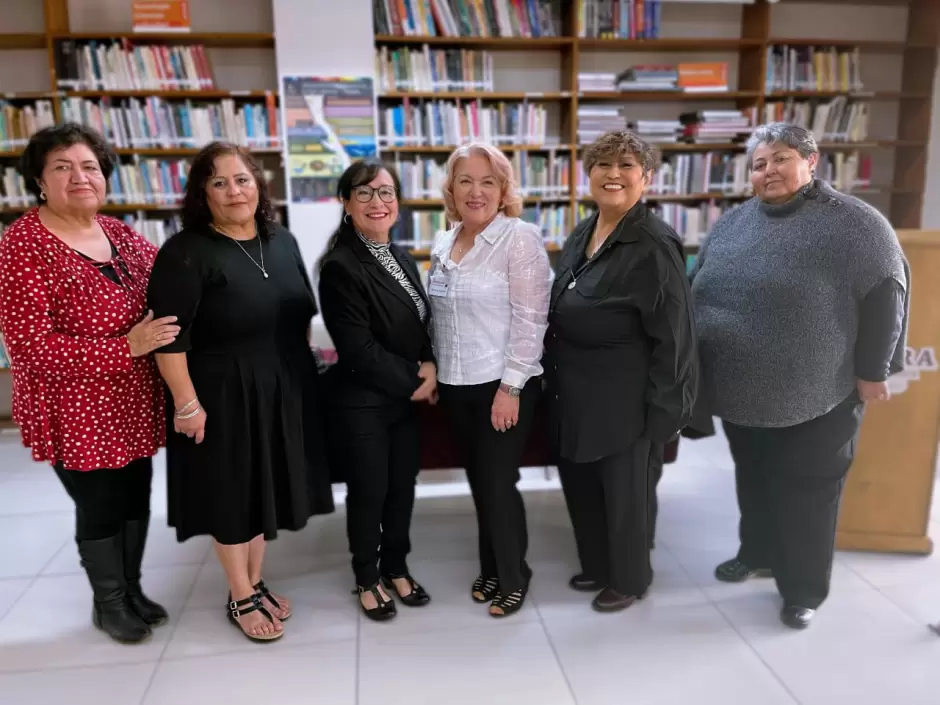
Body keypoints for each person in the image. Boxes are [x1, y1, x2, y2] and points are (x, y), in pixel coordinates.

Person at [691, 122, 909, 629]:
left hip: (818, 390)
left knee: (807, 492)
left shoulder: (856, 223)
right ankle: (759, 553)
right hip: (742, 390)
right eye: (759, 164)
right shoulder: (735, 221)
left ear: (812, 162)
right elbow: (699, 282)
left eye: (781, 158)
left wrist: (874, 370)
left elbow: (887, 295)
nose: (769, 171)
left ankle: (803, 587)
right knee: (754, 479)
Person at [146, 142, 335, 643]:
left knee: (262, 490)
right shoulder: (185, 252)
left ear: (259, 185)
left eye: (243, 179)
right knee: (231, 493)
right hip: (220, 392)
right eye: (219, 182)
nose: (234, 191)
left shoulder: (283, 241)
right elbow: (170, 338)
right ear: (201, 193)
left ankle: (254, 580)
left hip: (280, 386)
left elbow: (299, 318)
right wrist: (186, 404)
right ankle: (240, 594)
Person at [0, 123, 177, 644]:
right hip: (74, 406)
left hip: (133, 398)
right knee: (99, 503)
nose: (80, 177)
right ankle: (109, 602)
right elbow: (31, 347)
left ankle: (132, 587)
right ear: (38, 180)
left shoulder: (119, 233)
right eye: (63, 166)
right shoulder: (23, 245)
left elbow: (170, 285)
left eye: (91, 167)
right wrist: (128, 346)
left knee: (136, 495)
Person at [543, 131, 699, 612]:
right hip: (575, 390)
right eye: (602, 165)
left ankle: (630, 579)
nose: (614, 174)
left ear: (646, 178)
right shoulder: (583, 229)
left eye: (627, 165)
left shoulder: (653, 241)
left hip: (626, 397)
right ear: (586, 175)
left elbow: (675, 332)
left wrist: (665, 408)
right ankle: (596, 565)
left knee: (626, 495)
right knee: (583, 484)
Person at [428, 142, 552, 618]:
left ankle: (514, 575)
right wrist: (434, 367)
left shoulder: (519, 238)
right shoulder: (445, 239)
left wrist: (511, 388)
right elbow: (438, 316)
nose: (475, 191)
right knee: (481, 482)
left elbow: (531, 319)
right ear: (451, 189)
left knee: (498, 483)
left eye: (488, 181)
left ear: (503, 190)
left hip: (503, 385)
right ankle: (493, 567)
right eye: (465, 180)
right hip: (457, 384)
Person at [317, 158, 436, 622]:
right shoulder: (340, 266)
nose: (377, 202)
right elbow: (358, 349)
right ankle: (367, 578)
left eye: (386, 192)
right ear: (346, 203)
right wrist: (417, 380)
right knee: (370, 491)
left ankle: (397, 567)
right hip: (363, 402)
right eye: (364, 193)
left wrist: (430, 363)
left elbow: (421, 321)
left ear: (399, 203)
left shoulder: (401, 255)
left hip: (402, 403)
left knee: (402, 488)